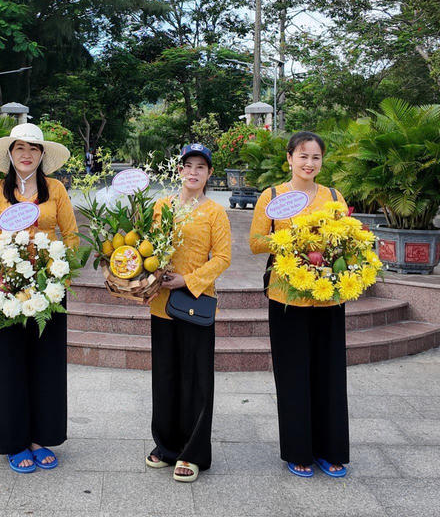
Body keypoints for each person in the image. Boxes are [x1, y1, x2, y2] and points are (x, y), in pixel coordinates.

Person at [0, 122, 79, 474]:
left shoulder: (57, 190)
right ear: (10, 153)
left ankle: (41, 437)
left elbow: (73, 235)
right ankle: (15, 441)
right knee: (9, 364)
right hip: (6, 285)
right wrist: (9, 241)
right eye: (20, 148)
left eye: (33, 149)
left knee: (46, 363)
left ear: (42, 155)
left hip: (48, 288)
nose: (26, 154)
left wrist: (58, 263)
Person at [248, 131, 350, 479]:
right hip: (286, 297)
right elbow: (256, 243)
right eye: (302, 156)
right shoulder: (272, 196)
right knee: (293, 375)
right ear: (289, 158)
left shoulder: (333, 196)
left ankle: (330, 449)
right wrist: (292, 241)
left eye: (316, 157)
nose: (309, 163)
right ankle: (299, 451)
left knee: (330, 374)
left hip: (328, 297)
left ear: (322, 162)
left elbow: (346, 238)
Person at [144, 143, 231, 483]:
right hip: (161, 305)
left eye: (201, 167)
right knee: (164, 377)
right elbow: (147, 243)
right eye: (187, 166)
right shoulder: (161, 205)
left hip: (195, 305)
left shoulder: (214, 212)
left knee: (196, 380)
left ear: (209, 174)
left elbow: (222, 258)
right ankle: (166, 446)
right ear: (179, 170)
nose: (193, 172)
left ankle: (193, 453)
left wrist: (188, 280)